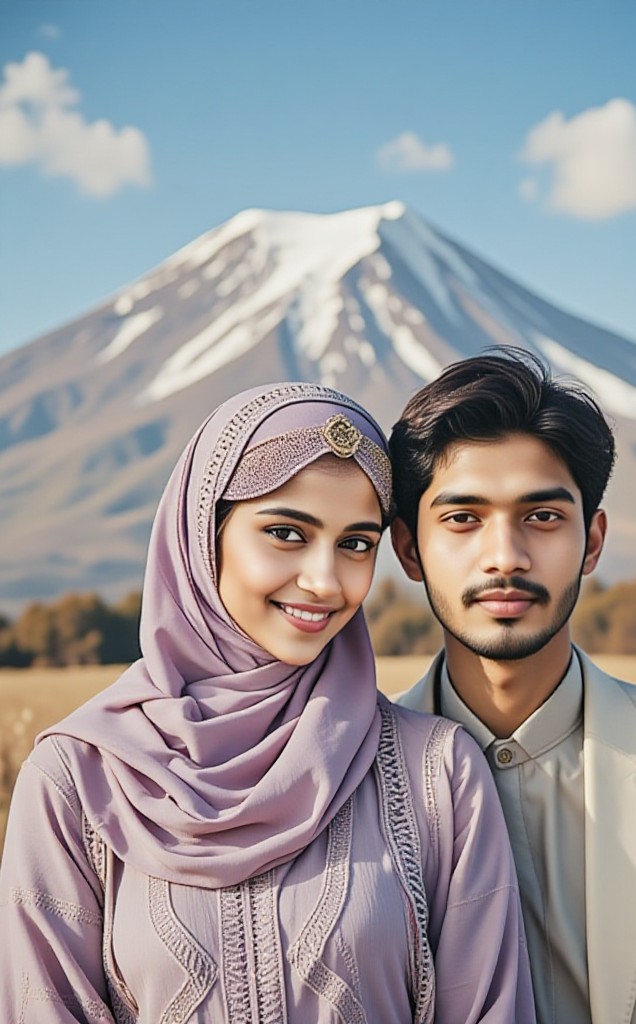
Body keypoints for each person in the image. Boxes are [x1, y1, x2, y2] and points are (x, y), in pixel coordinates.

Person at [0, 382, 535, 1023]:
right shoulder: (76, 780)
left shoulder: (437, 774)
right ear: (203, 536)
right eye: (286, 532)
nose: (325, 581)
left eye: (356, 543)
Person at [389, 348, 636, 1024]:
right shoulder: (346, 788)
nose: (505, 557)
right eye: (463, 518)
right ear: (409, 549)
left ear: (592, 542)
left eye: (542, 516)